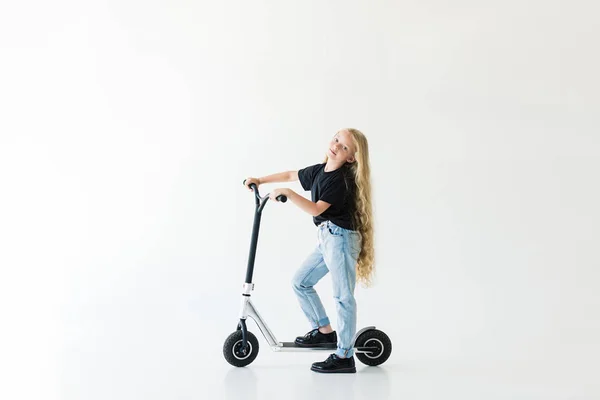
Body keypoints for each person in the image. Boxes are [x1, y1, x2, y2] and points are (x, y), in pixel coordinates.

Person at [244, 128, 374, 373]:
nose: (336, 146)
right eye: (336, 139)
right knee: (301, 282)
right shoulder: (320, 170)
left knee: (343, 297)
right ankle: (325, 332)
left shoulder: (341, 181)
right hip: (328, 237)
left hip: (342, 239)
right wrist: (260, 180)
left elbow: (316, 209)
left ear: (351, 158)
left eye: (344, 147)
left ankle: (345, 356)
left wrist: (290, 195)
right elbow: (292, 174)